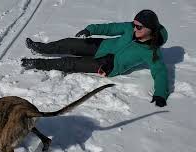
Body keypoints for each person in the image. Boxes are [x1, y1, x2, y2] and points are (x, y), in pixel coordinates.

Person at [21, 9, 169, 107]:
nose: (134, 28)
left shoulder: (151, 52)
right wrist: (90, 29)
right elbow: (110, 28)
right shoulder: (130, 28)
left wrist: (160, 94)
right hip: (102, 46)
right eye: (134, 24)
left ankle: (36, 63)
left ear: (151, 29)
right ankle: (41, 48)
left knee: (70, 63)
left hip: (108, 65)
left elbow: (160, 72)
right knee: (69, 43)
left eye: (139, 27)